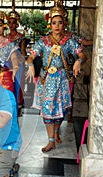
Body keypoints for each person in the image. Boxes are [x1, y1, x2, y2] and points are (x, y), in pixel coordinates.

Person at [26, 0, 86, 152]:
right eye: (54, 23)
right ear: (50, 24)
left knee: (61, 110)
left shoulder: (69, 41)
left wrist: (78, 61)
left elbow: (83, 55)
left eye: (60, 22)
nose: (57, 26)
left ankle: (57, 132)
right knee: (47, 110)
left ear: (64, 23)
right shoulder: (43, 41)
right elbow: (30, 56)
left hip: (63, 79)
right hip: (46, 79)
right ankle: (51, 140)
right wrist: (31, 65)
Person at [6, 0, 26, 116]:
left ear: (17, 24)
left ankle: (18, 108)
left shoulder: (20, 37)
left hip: (18, 64)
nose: (11, 25)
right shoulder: (5, 37)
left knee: (18, 86)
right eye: (9, 22)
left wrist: (23, 63)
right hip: (7, 65)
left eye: (14, 22)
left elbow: (22, 52)